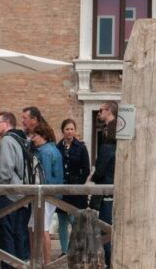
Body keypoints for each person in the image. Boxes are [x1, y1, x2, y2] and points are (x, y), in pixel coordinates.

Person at [0, 111, 30, 266]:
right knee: (19, 235)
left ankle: (9, 266)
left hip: (8, 195)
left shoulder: (7, 140)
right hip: (21, 195)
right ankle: (21, 265)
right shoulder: (21, 139)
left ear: (6, 123)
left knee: (6, 237)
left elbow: (4, 172)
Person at [29, 123, 63, 263]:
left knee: (43, 229)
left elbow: (46, 177)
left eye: (35, 135)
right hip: (50, 194)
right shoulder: (51, 149)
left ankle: (46, 263)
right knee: (33, 227)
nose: (32, 138)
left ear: (43, 136)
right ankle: (36, 261)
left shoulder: (46, 152)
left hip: (46, 195)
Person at [55, 119, 90, 255]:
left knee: (75, 221)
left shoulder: (81, 147)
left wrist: (77, 185)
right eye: (67, 129)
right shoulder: (58, 147)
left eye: (72, 129)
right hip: (62, 190)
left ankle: (74, 250)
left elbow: (86, 169)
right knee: (62, 221)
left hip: (76, 191)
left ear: (75, 131)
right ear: (63, 131)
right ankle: (64, 251)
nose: (69, 132)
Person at [92, 101, 117, 268]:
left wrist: (93, 176)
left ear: (109, 111)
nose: (99, 113)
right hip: (114, 189)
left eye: (101, 110)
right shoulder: (117, 135)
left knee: (106, 231)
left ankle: (110, 264)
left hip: (107, 191)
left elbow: (100, 171)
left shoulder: (108, 145)